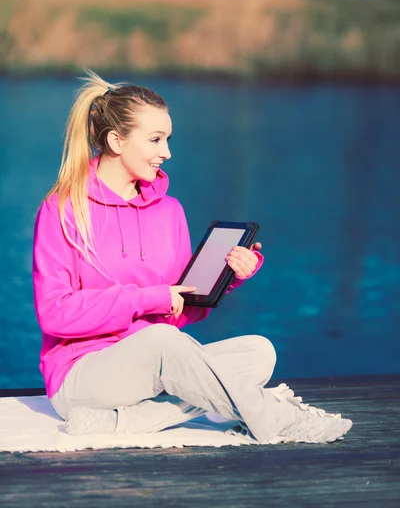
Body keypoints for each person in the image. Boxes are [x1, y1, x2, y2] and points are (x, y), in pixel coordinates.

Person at [32, 70, 352, 444]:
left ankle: (126, 422)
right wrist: (148, 297)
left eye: (167, 139)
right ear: (116, 141)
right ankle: (277, 419)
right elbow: (54, 313)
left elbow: (182, 309)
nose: (166, 152)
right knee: (164, 343)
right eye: (155, 139)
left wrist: (227, 278)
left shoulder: (169, 211)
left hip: (153, 367)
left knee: (257, 352)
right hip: (83, 376)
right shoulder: (63, 209)